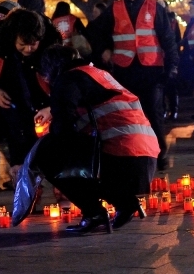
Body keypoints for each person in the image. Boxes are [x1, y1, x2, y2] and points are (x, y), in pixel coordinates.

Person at [33, 46, 158, 233]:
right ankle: (124, 201)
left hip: (120, 157)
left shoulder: (66, 79)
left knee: (47, 154)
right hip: (144, 160)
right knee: (76, 148)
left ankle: (94, 212)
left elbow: (63, 128)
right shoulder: (96, 73)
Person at [96, 0, 179, 170]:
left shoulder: (154, 7)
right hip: (125, 71)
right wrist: (104, 50)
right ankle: (133, 155)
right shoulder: (114, 9)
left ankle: (160, 155)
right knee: (127, 114)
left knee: (153, 113)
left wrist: (172, 66)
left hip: (151, 70)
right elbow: (97, 33)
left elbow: (168, 39)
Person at [0, 8, 61, 170]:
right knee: (18, 150)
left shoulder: (51, 37)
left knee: (52, 153)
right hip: (12, 101)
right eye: (22, 44)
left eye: (33, 44)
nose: (28, 49)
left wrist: (53, 106)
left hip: (45, 103)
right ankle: (23, 185)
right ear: (13, 37)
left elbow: (64, 75)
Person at [161, 0, 183, 121]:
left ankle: (173, 110)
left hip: (169, 57)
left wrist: (175, 57)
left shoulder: (172, 21)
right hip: (159, 57)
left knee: (171, 85)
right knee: (162, 86)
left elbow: (177, 40)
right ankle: (164, 109)